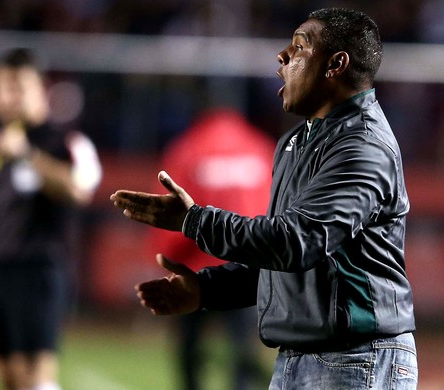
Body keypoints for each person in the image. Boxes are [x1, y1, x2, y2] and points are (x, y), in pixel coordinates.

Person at [110, 8, 418, 389]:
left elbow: (297, 241)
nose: (282, 56)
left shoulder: (362, 146)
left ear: (336, 64)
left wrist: (194, 221)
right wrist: (207, 289)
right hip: (300, 359)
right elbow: (281, 264)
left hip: (354, 359)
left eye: (300, 47)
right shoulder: (296, 142)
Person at [0, 48, 102, 390]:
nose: (7, 98)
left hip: (40, 271)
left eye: (17, 88)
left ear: (40, 88)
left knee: (35, 376)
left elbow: (79, 190)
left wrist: (26, 154)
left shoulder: (64, 141)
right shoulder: (2, 145)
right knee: (7, 377)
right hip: (0, 272)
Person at [150, 108, 275, 390]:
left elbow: (170, 210)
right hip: (248, 268)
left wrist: (167, 259)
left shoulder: (188, 148)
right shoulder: (259, 148)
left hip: (195, 268)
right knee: (243, 350)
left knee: (190, 350)